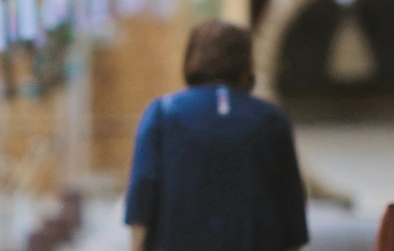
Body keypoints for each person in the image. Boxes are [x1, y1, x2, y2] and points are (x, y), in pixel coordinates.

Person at [125, 20, 309, 251]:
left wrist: (136, 245)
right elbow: (292, 205)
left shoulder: (163, 114)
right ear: (247, 62)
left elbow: (143, 192)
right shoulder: (272, 120)